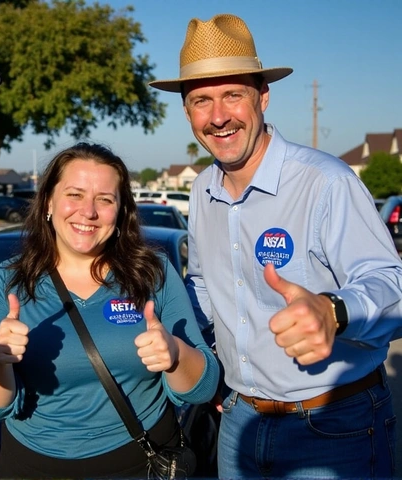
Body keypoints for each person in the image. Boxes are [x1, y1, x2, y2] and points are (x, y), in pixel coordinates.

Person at [149, 13, 402, 478]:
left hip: (333, 423)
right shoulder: (202, 191)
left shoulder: (325, 181)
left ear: (262, 97)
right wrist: (197, 358)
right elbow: (205, 289)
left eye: (232, 95)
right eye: (201, 100)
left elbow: (391, 285)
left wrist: (333, 310)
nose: (218, 116)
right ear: (187, 112)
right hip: (239, 422)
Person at [0, 142, 220, 479]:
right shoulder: (9, 281)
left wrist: (174, 354)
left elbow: (201, 388)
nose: (88, 212)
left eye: (105, 199)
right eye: (75, 194)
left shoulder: (153, 272)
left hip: (141, 463)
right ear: (48, 203)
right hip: (32, 467)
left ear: (121, 211)